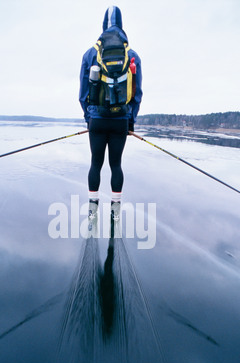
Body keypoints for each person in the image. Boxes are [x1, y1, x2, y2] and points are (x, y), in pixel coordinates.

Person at [79, 6, 143, 221]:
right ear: (122, 25)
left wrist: (89, 119)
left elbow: (83, 93)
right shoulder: (132, 56)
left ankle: (92, 209)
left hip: (97, 119)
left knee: (95, 163)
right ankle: (115, 211)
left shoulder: (90, 54)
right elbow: (137, 93)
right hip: (120, 121)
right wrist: (130, 122)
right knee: (116, 164)